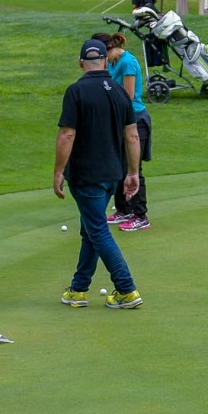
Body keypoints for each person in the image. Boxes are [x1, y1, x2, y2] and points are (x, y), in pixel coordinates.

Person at [54, 37, 144, 309]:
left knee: (97, 230)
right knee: (90, 230)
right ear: (105, 60)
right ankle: (79, 289)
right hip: (112, 175)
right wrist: (132, 173)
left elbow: (67, 134)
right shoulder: (119, 91)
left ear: (81, 62)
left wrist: (58, 171)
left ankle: (127, 290)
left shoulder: (75, 91)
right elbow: (132, 136)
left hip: (85, 175)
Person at [94, 31, 152, 232]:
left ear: (107, 50)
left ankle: (140, 215)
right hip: (119, 121)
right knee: (118, 166)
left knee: (133, 167)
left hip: (134, 120)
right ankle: (124, 209)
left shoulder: (127, 62)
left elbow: (126, 98)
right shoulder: (111, 63)